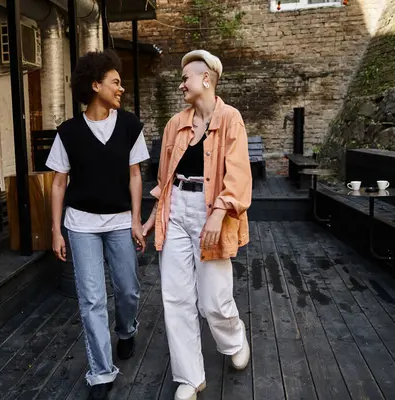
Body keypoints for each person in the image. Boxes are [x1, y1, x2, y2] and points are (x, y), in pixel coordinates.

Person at [142, 49, 252, 400]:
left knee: (213, 299)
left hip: (210, 209)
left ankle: (234, 337)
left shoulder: (230, 118)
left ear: (206, 79)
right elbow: (164, 176)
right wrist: (152, 217)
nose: (181, 84)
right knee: (176, 297)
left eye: (185, 77)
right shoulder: (176, 123)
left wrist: (219, 213)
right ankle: (190, 377)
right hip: (176, 208)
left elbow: (237, 174)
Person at [46, 49, 149, 400]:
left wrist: (136, 220)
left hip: (120, 221)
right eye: (115, 82)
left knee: (127, 289)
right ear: (95, 85)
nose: (120, 89)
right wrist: (56, 230)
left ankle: (126, 329)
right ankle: (101, 374)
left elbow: (136, 176)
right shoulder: (69, 132)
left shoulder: (131, 125)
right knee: (92, 300)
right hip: (81, 224)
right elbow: (58, 182)